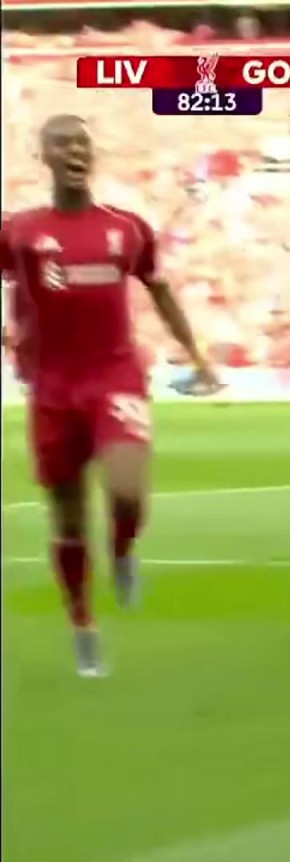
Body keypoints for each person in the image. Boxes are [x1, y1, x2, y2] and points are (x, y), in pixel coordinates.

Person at [0, 115, 220, 676]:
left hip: (114, 376)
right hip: (51, 387)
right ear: (44, 156)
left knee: (126, 490)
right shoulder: (20, 231)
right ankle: (83, 627)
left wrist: (195, 354)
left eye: (82, 143)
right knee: (69, 521)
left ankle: (122, 548)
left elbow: (160, 290)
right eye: (62, 143)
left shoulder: (126, 228)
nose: (75, 151)